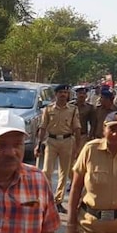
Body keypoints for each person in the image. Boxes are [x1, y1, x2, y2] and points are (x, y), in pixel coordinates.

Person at [37, 84, 81, 214]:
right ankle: (49, 199)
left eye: (65, 93)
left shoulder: (73, 110)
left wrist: (77, 147)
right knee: (46, 171)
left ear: (68, 95)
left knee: (64, 172)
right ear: (55, 94)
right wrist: (38, 144)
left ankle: (58, 201)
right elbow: (42, 127)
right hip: (51, 141)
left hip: (67, 142)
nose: (63, 95)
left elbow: (77, 128)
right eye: (60, 92)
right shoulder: (48, 109)